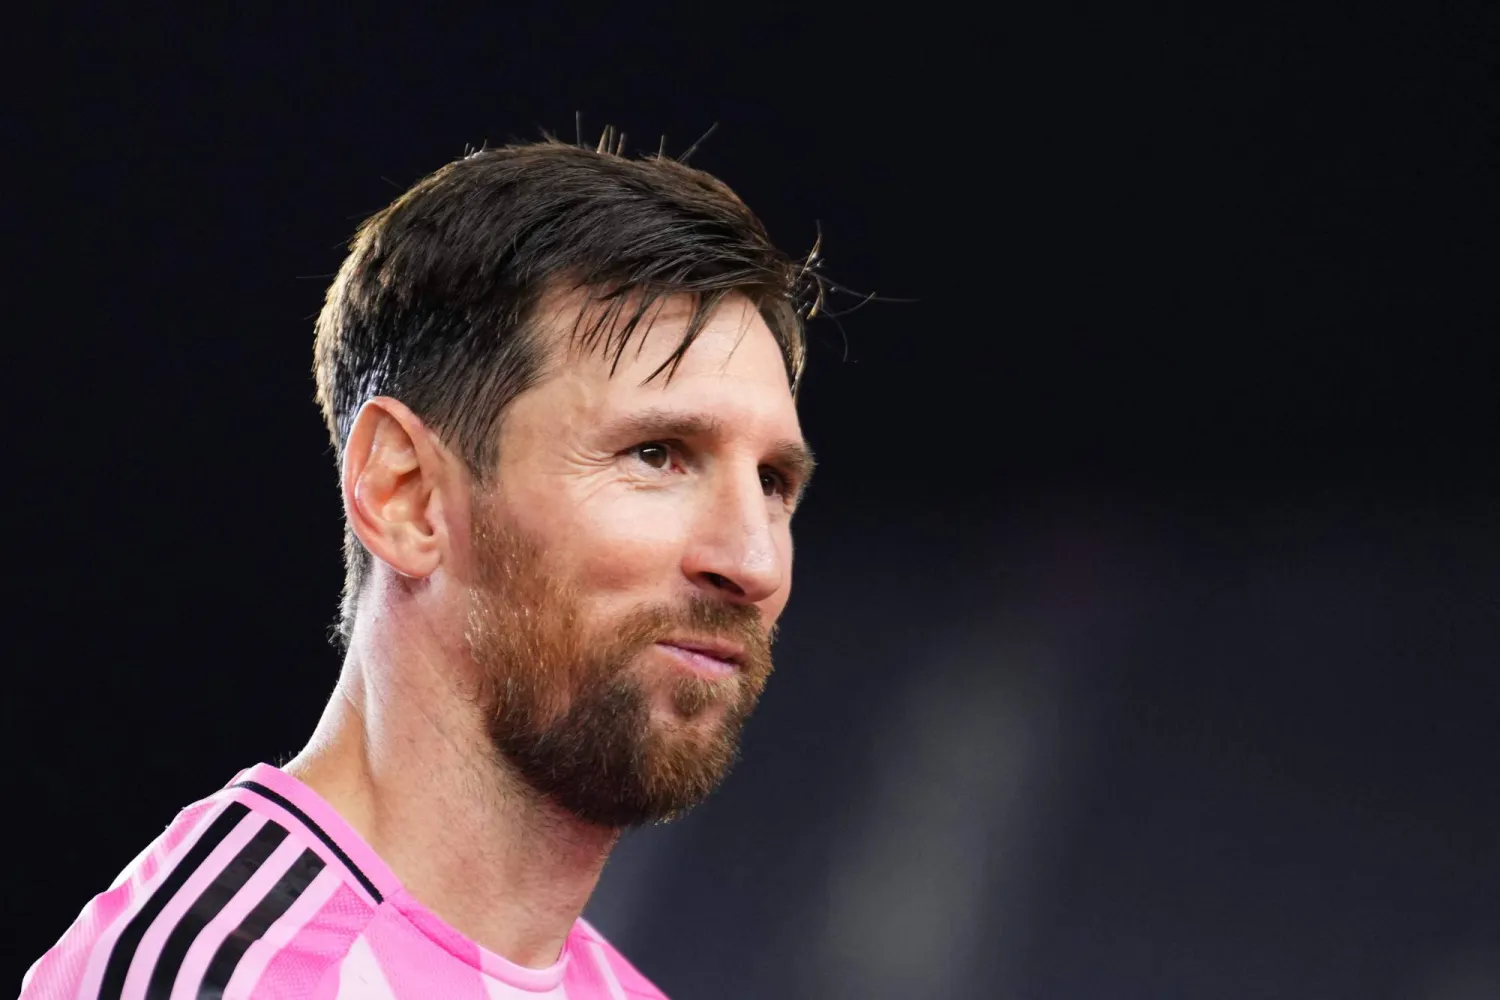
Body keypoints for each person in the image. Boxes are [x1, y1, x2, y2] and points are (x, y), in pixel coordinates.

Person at [22, 135, 819, 999]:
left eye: (774, 482)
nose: (752, 560)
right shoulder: (217, 976)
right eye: (657, 453)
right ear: (403, 495)